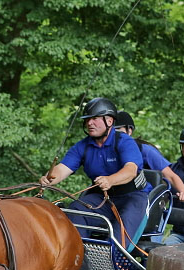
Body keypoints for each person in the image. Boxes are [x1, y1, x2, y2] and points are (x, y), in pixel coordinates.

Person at [40, 97, 151, 249]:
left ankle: (114, 263)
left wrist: (110, 180)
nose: (89, 123)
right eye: (87, 120)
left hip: (132, 198)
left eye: (95, 119)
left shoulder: (124, 141)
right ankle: (79, 256)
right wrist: (49, 177)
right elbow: (62, 169)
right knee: (75, 210)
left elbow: (131, 170)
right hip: (102, 199)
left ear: (110, 121)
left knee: (119, 242)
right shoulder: (82, 146)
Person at [113, 111, 184, 202]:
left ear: (129, 131)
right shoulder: (104, 151)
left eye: (117, 130)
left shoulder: (145, 151)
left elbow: (170, 176)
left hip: (141, 197)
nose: (114, 134)